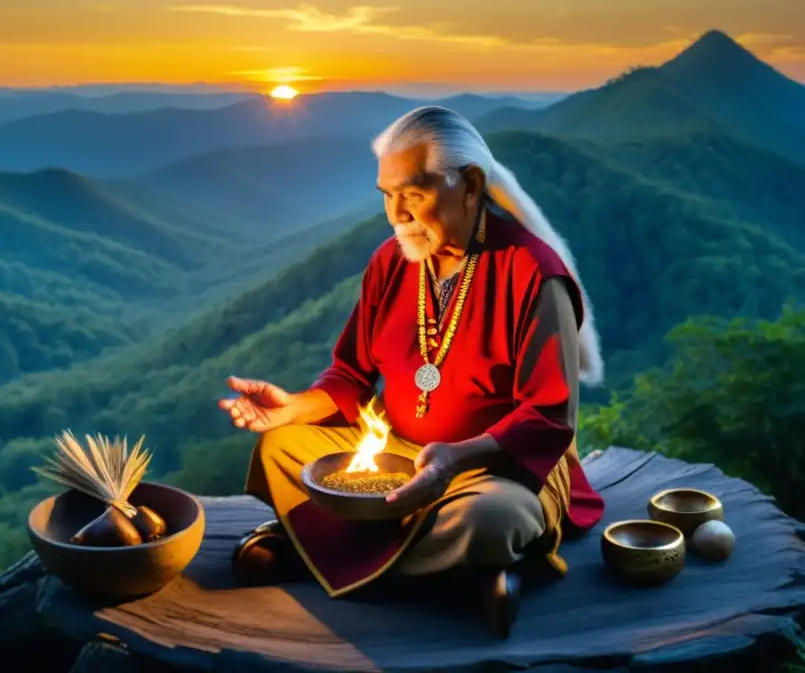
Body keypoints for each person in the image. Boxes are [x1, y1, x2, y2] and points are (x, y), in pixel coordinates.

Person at [218, 105, 605, 637]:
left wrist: (458, 457)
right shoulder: (390, 261)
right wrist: (291, 407)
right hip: (401, 454)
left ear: (469, 185)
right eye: (387, 195)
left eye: (414, 194)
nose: (396, 214)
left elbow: (549, 416)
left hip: (494, 471)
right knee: (279, 447)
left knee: (488, 522)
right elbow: (349, 375)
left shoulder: (533, 274)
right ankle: (467, 576)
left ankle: (322, 547)